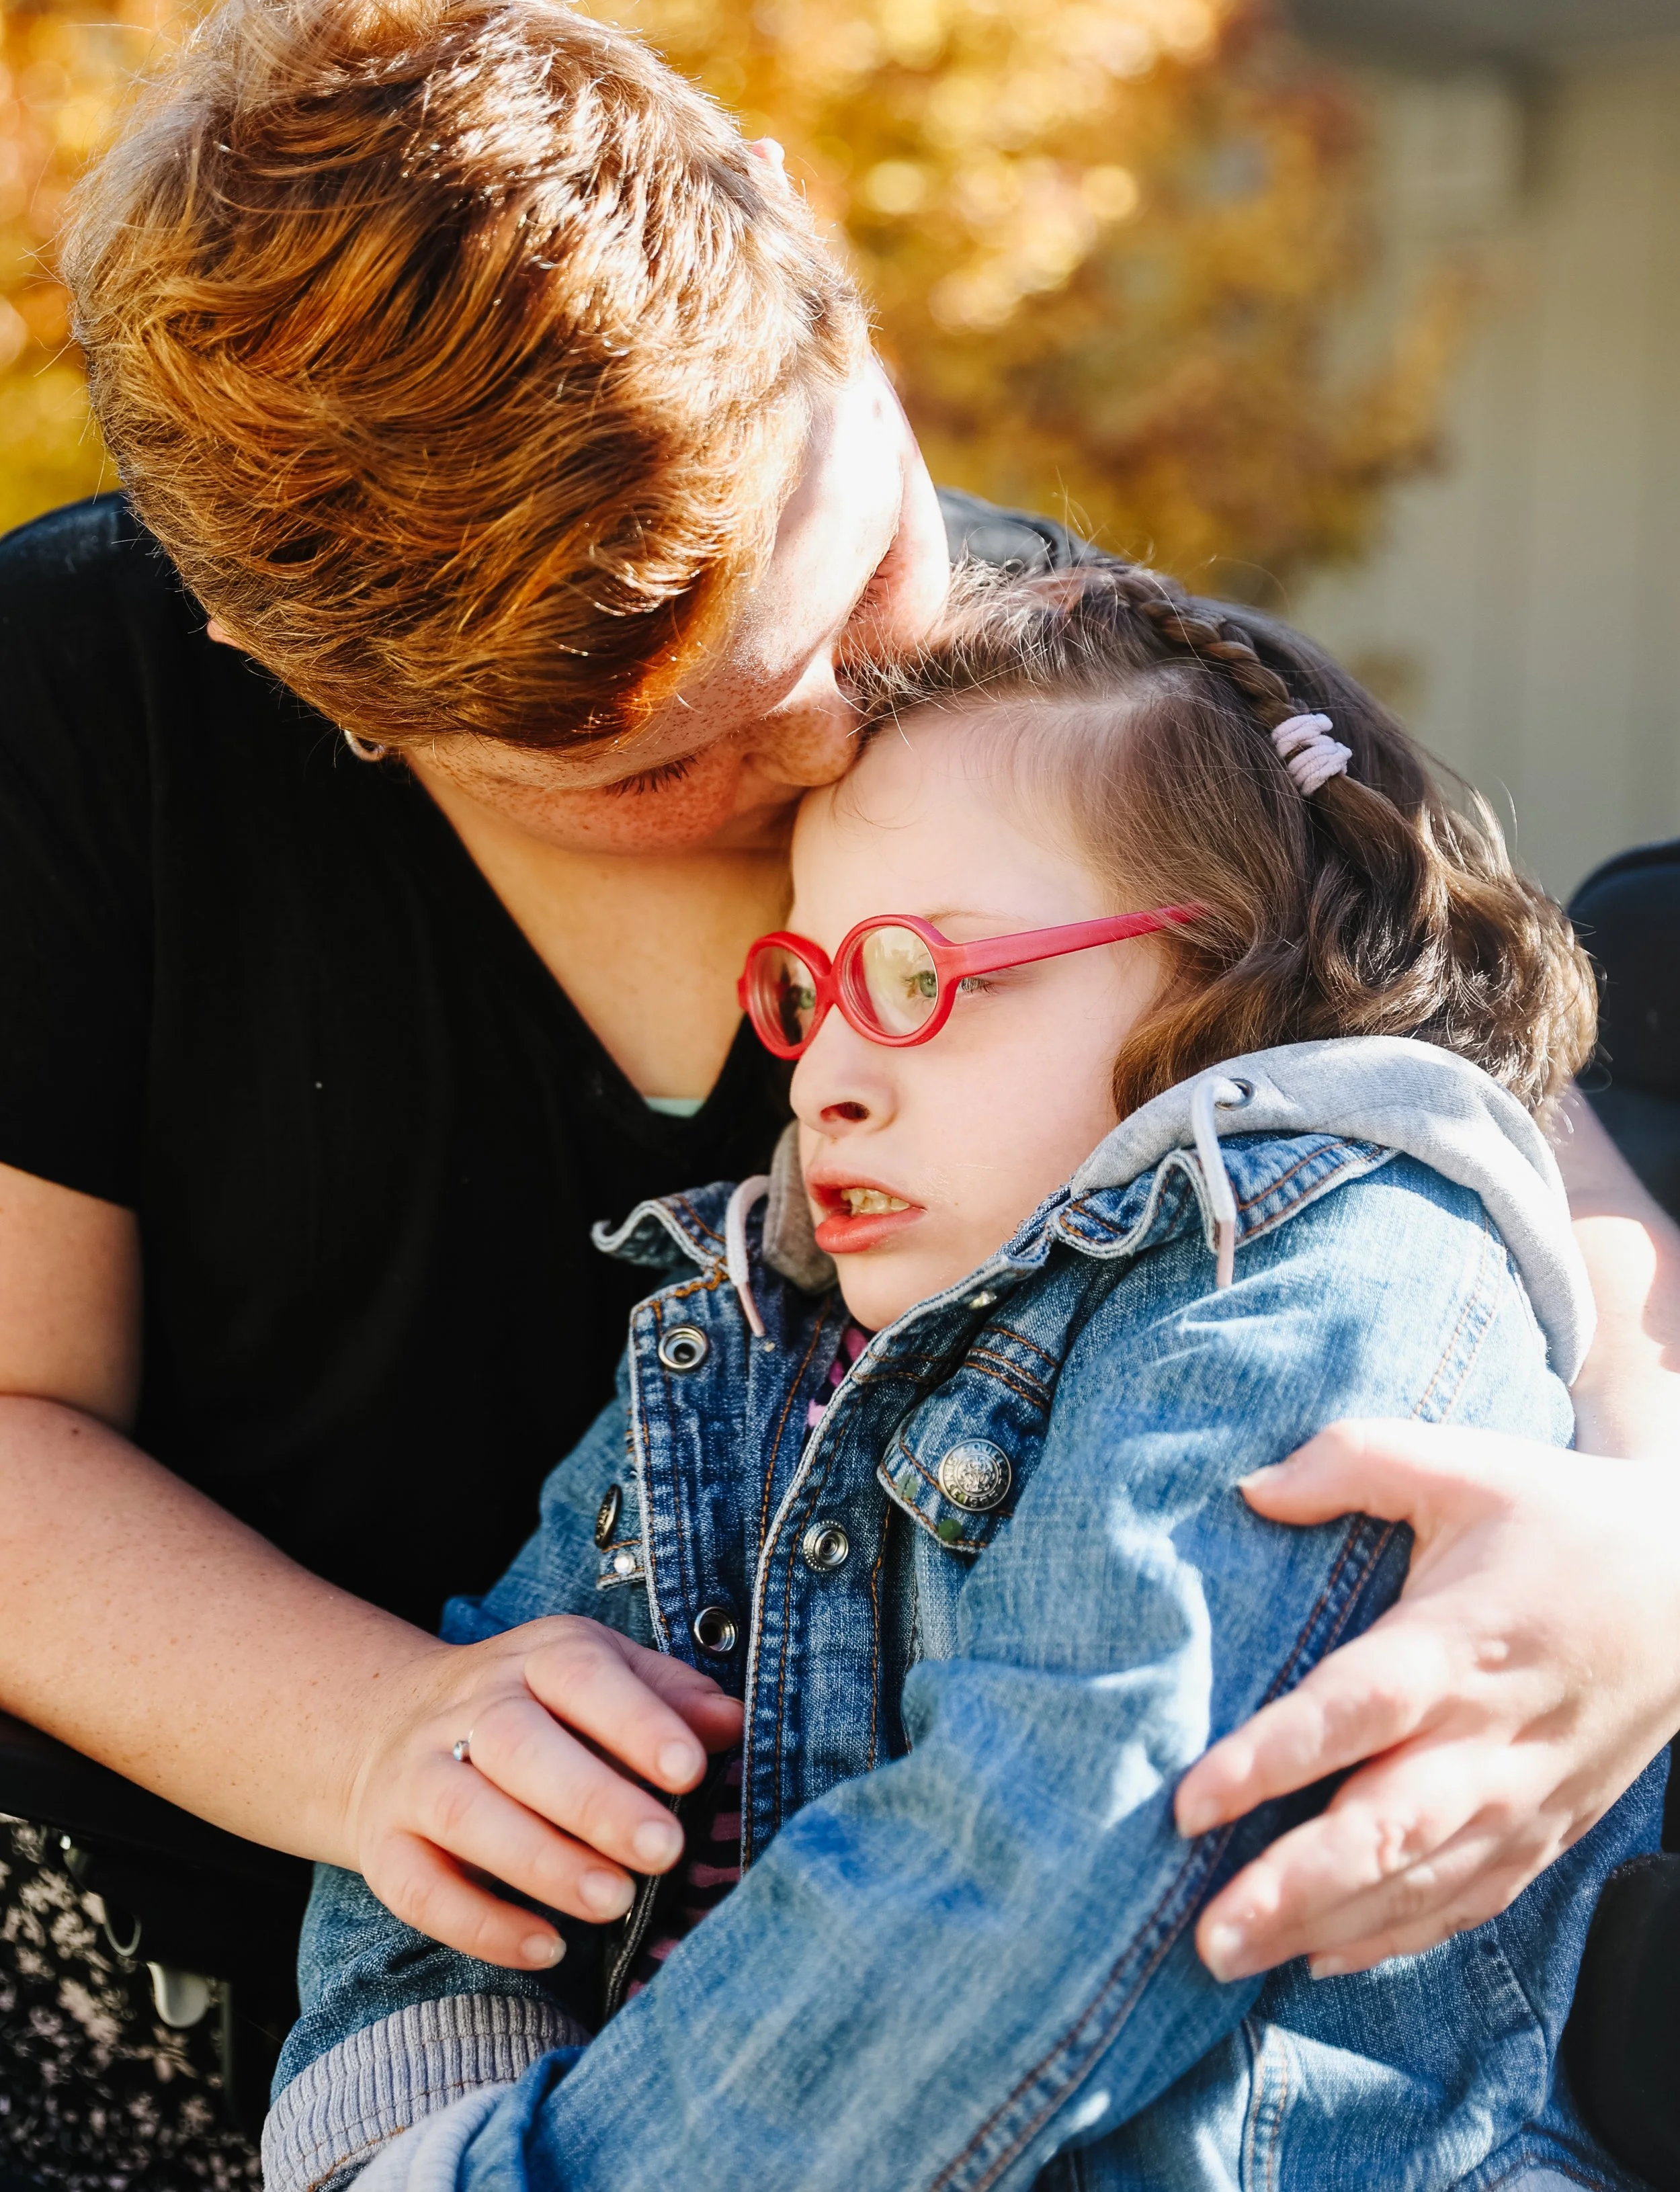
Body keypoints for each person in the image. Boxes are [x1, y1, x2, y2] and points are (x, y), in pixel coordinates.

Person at [1, 0, 1677, 2177]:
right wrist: (383, 1738)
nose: (828, 743)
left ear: (818, 258)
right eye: (642, 757)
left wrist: (1646, 1564)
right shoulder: (85, 714)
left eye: (857, 578)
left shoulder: (1120, 714)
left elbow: (1526, 1220)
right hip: (228, 2016)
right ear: (320, 696)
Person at [265, 564, 1662, 2192]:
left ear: (1234, 987)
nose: (828, 1080)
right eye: (807, 990)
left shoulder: (1325, 1259)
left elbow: (1066, 1839)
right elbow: (470, 1769)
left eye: (920, 979)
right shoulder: (743, 1335)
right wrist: (412, 2141)